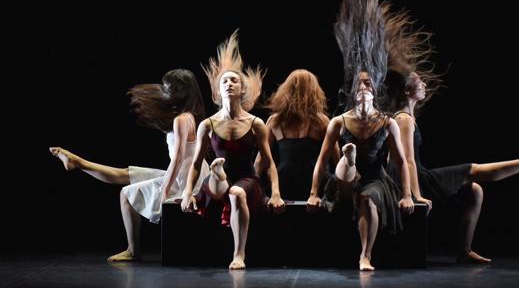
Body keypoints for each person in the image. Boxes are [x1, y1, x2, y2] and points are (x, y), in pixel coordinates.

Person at [382, 3, 519, 264]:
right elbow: (405, 161)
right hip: (413, 180)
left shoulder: (408, 117)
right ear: (408, 91)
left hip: (418, 176)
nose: (423, 83)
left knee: (474, 190)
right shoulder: (403, 119)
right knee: (474, 170)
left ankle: (464, 251)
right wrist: (414, 195)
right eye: (418, 81)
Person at [306, 0, 415, 271]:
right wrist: (314, 192)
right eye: (360, 84)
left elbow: (402, 162)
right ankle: (348, 158)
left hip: (375, 179)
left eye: (368, 84)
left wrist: (406, 194)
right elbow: (320, 162)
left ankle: (365, 255)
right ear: (353, 92)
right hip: (343, 181)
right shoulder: (338, 122)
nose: (364, 87)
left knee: (368, 199)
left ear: (374, 90)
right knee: (345, 177)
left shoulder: (387, 122)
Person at [50, 68, 208, 262]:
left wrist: (165, 189)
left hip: (185, 182)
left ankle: (133, 250)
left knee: (125, 193)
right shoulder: (191, 116)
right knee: (127, 174)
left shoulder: (182, 119)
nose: (163, 90)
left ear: (178, 91)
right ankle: (78, 162)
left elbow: (178, 158)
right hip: (185, 175)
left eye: (167, 87)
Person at [181, 30, 285, 269]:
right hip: (217, 184)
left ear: (242, 90)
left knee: (236, 193)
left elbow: (269, 162)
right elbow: (196, 164)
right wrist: (188, 191)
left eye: (234, 81)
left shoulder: (255, 124)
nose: (229, 84)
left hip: (247, 179)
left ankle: (239, 254)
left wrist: (276, 193)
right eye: (224, 81)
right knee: (220, 184)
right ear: (218, 91)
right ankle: (218, 174)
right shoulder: (207, 124)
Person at [255, 69, 338, 201]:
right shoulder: (275, 121)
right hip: (283, 189)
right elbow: (261, 161)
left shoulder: (321, 121)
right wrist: (251, 190)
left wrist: (339, 192)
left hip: (315, 189)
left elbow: (338, 162)